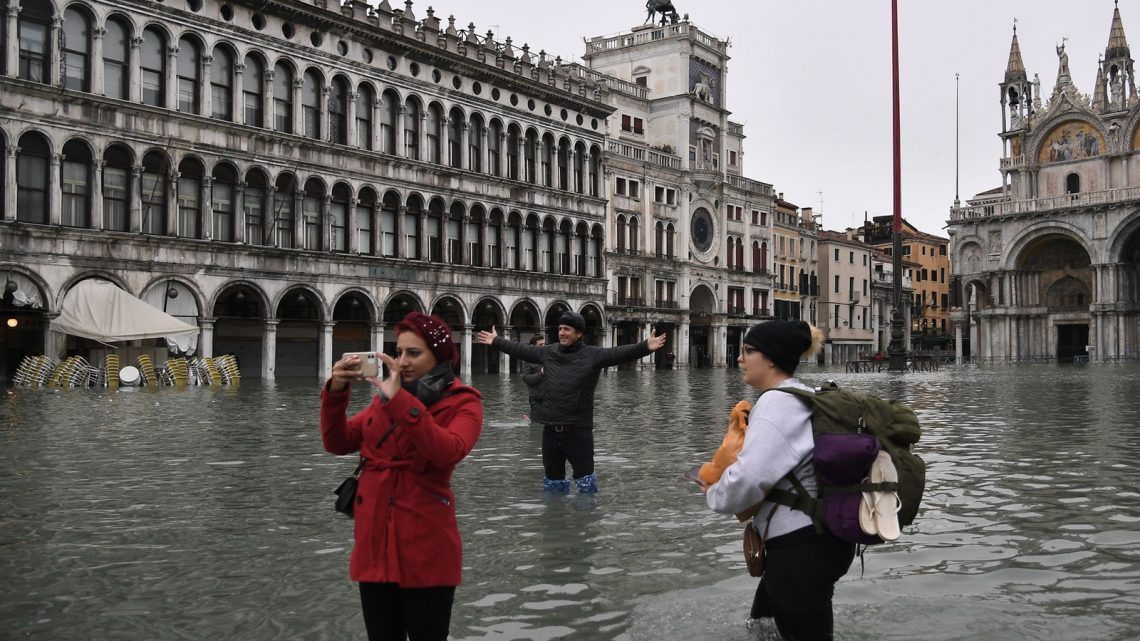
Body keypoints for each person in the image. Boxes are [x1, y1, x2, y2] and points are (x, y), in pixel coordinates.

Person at [320, 311, 484, 641]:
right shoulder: (383, 401)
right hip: (374, 543)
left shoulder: (464, 402)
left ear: (438, 355)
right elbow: (337, 442)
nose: (402, 361)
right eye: (399, 352)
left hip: (427, 545)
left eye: (414, 353)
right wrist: (337, 391)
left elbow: (447, 451)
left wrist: (398, 401)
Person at [701, 320, 854, 641]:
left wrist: (714, 493)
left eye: (748, 351)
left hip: (800, 548)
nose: (740, 359)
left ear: (770, 358)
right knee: (762, 628)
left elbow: (750, 478)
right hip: (818, 540)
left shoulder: (776, 403)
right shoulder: (805, 394)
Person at [476, 310, 666, 493]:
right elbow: (520, 349)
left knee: (586, 485)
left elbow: (619, 353)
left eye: (566, 329)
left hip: (578, 432)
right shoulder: (548, 352)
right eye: (560, 329)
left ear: (579, 333)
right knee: (553, 483)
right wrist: (496, 341)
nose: (561, 333)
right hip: (550, 431)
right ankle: (555, 521)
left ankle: (585, 522)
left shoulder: (592, 355)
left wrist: (645, 346)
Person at [520, 335, 545, 420]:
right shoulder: (527, 360)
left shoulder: (548, 357)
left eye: (544, 344)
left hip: (551, 398)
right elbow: (526, 378)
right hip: (537, 399)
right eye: (540, 345)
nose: (543, 347)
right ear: (533, 346)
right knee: (536, 424)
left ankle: (527, 419)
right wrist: (541, 373)